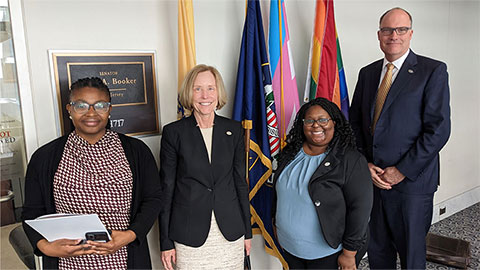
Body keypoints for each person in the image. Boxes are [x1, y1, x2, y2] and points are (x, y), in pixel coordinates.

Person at [22, 77, 162, 269]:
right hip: (68, 263)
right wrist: (45, 247)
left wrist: (131, 235)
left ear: (110, 110)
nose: (91, 113)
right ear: (69, 109)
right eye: (81, 106)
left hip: (123, 258)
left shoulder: (136, 151)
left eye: (100, 106)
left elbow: (153, 199)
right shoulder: (45, 157)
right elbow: (31, 211)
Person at [349, 7, 451, 269]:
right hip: (373, 181)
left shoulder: (432, 71)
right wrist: (364, 164)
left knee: (411, 255)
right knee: (377, 251)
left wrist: (402, 170)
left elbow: (438, 130)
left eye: (401, 29)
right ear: (379, 35)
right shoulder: (368, 73)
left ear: (411, 34)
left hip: (412, 184)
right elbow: (355, 125)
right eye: (387, 30)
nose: (393, 35)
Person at [159, 64, 252, 270]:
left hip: (230, 232)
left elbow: (240, 184)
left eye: (211, 88)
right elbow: (167, 190)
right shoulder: (174, 133)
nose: (204, 95)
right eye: (197, 88)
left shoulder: (234, 130)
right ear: (188, 93)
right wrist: (165, 242)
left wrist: (248, 231)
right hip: (189, 233)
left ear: (218, 92)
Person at [273, 98, 373, 270]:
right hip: (290, 249)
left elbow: (360, 209)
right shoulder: (289, 153)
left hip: (329, 254)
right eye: (309, 120)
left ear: (334, 123)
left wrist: (349, 253)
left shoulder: (350, 160)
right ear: (302, 125)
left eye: (323, 120)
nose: (316, 125)